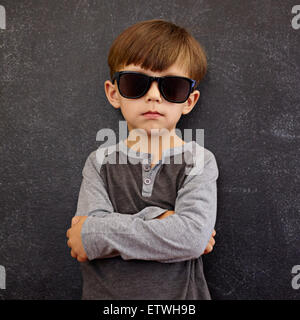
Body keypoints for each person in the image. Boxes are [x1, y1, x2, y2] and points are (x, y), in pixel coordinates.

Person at [66, 19, 219, 300]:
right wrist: (163, 217)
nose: (153, 96)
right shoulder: (100, 162)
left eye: (171, 87)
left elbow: (193, 237)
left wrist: (102, 232)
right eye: (136, 83)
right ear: (114, 93)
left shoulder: (199, 160)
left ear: (189, 100)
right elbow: (82, 239)